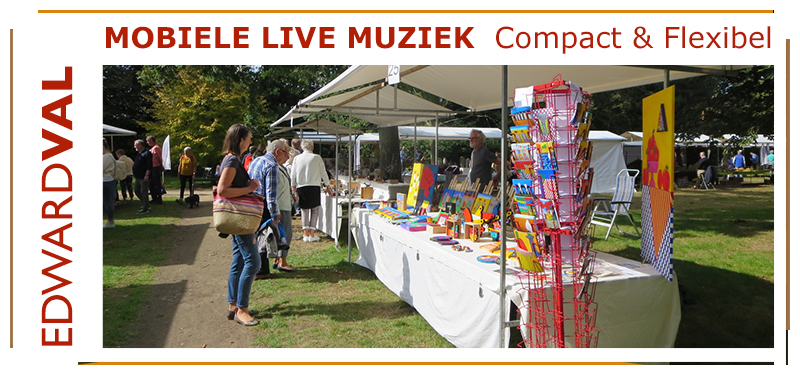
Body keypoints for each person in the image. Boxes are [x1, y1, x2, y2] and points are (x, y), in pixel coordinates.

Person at [218, 124, 261, 326]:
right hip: (240, 219)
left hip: (237, 219)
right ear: (241, 139)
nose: (251, 142)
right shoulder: (233, 159)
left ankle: (232, 305)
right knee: (253, 261)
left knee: (239, 261)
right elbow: (223, 190)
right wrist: (250, 187)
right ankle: (242, 309)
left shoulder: (232, 159)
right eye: (249, 138)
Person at [249, 140, 296, 276]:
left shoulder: (256, 161)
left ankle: (260, 269)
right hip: (263, 205)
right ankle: (262, 270)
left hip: (253, 203)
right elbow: (271, 193)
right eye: (286, 153)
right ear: (277, 152)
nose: (287, 157)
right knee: (265, 238)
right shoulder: (272, 165)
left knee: (257, 238)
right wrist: (275, 214)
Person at [291, 139, 331, 242]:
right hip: (314, 186)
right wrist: (328, 185)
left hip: (301, 186)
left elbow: (293, 174)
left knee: (304, 210)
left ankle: (305, 233)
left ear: (302, 147)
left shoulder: (297, 158)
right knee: (314, 210)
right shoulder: (316, 157)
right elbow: (323, 173)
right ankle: (312, 234)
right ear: (312, 147)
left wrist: (293, 185)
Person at [132, 139, 153, 214]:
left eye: (135, 145)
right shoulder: (139, 154)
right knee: (137, 191)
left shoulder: (147, 153)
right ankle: (145, 204)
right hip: (138, 176)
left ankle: (145, 208)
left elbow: (149, 166)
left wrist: (147, 175)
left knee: (143, 192)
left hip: (144, 176)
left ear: (140, 145)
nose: (134, 147)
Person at [102, 139, 117, 228]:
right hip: (106, 180)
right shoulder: (107, 156)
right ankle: (110, 220)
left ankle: (110, 221)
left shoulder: (107, 157)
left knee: (107, 202)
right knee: (107, 202)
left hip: (106, 181)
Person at [146, 136, 164, 204]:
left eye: (148, 141)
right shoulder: (152, 149)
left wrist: (161, 166)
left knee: (156, 183)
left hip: (156, 167)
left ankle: (158, 199)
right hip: (152, 167)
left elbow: (159, 157)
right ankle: (154, 198)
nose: (147, 143)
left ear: (151, 140)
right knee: (151, 184)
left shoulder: (156, 148)